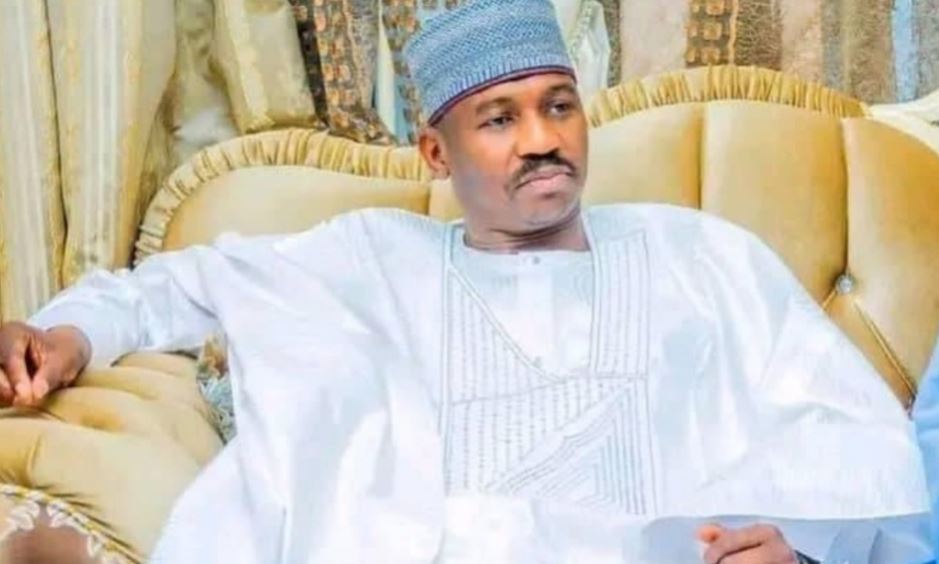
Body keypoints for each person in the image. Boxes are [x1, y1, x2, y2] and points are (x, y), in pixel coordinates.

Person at [0, 0, 930, 562]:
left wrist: (800, 548)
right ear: (435, 153)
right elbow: (178, 284)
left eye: (558, 106)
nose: (541, 140)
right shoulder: (372, 258)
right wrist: (68, 333)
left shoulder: (698, 255)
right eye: (498, 119)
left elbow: (842, 436)